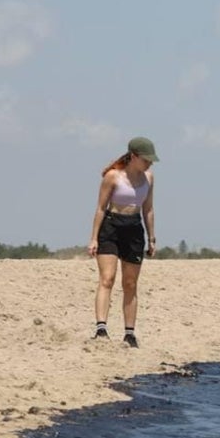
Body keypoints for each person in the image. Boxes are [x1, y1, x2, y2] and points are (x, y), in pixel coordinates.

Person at [88, 136, 158, 347]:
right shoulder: (113, 177)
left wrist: (151, 237)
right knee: (107, 278)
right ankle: (101, 328)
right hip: (111, 226)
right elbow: (100, 208)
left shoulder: (149, 178)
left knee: (130, 283)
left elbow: (148, 209)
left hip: (134, 227)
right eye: (146, 159)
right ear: (134, 156)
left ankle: (129, 332)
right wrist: (93, 238)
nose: (149, 163)